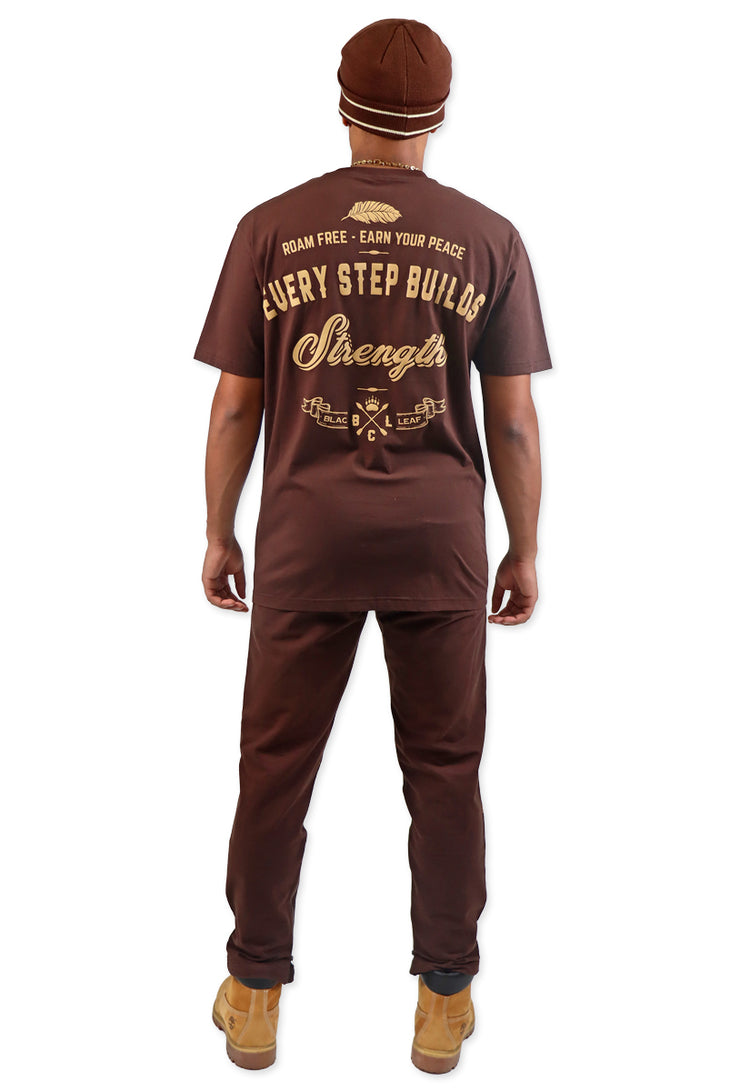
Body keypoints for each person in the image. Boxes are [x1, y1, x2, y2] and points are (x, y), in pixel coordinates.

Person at [193, 18, 552, 1074]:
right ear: (439, 115)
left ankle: (255, 993)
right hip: (440, 544)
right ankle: (444, 998)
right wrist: (523, 547)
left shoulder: (269, 229)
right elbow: (514, 422)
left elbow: (235, 406)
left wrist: (217, 528)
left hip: (304, 539)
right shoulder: (489, 238)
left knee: (275, 767)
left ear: (344, 105)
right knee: (444, 769)